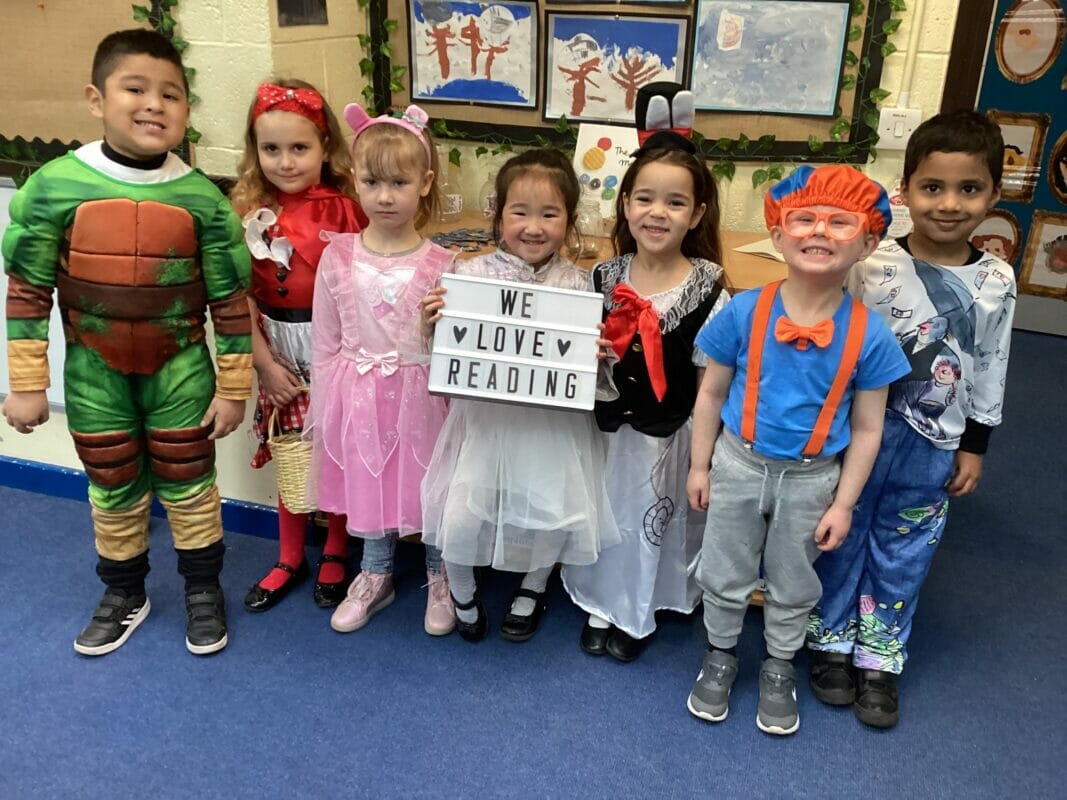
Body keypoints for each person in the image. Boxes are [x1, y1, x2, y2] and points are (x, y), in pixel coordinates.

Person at [1, 29, 252, 656]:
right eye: (135, 89)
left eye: (171, 94)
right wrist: (27, 384)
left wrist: (234, 389)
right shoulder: (54, 187)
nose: (153, 105)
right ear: (96, 98)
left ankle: (203, 590)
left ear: (187, 110)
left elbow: (230, 302)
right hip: (95, 372)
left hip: (181, 370)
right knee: (112, 483)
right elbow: (28, 293)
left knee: (190, 482)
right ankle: (124, 592)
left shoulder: (204, 201)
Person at [807, 111, 1016, 729]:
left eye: (969, 188)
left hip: (936, 440)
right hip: (858, 433)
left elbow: (992, 363)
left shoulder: (997, 279)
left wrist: (976, 443)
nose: (949, 204)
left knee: (905, 545)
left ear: (993, 195)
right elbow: (834, 346)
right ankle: (831, 640)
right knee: (839, 531)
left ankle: (879, 655)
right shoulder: (869, 265)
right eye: (932, 187)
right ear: (904, 190)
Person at [685, 165, 911, 735]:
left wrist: (844, 504)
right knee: (723, 568)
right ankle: (720, 653)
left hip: (813, 480)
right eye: (804, 219)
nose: (819, 232)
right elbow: (710, 393)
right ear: (778, 235)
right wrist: (699, 465)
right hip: (738, 464)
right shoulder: (744, 310)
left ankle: (779, 665)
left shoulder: (871, 334)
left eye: (840, 222)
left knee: (793, 579)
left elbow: (868, 429)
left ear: (868, 243)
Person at [420, 148, 619, 643]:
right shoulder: (468, 277)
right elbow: (439, 357)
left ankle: (533, 587)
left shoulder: (580, 285)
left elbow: (591, 377)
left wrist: (597, 356)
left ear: (569, 220)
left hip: (551, 429)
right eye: (520, 212)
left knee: (549, 512)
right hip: (486, 426)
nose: (534, 227)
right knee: (462, 514)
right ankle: (461, 591)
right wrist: (433, 327)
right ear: (498, 214)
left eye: (550, 214)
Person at [562, 86, 728, 664]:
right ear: (626, 205)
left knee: (652, 516)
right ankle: (601, 599)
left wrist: (703, 461)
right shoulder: (602, 276)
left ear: (697, 214)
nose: (658, 213)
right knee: (610, 512)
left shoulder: (709, 289)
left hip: (669, 436)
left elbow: (710, 387)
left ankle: (640, 606)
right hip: (609, 432)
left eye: (675, 203)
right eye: (645, 199)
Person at [309, 102, 457, 636]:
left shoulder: (443, 264)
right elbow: (325, 341)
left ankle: (441, 574)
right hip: (358, 394)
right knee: (370, 478)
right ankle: (375, 572)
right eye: (372, 182)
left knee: (429, 481)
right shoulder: (338, 256)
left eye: (399, 182)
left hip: (423, 397)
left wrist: (434, 329)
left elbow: (451, 351)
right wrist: (326, 407)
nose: (386, 196)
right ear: (355, 180)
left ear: (425, 183)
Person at [232, 80, 368, 613]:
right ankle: (290, 555)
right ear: (255, 150)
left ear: (324, 147)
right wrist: (264, 364)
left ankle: (336, 546)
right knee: (291, 447)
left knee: (335, 448)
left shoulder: (346, 210)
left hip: (333, 345)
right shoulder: (246, 210)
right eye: (271, 148)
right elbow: (237, 296)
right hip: (277, 348)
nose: (285, 162)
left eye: (299, 148)